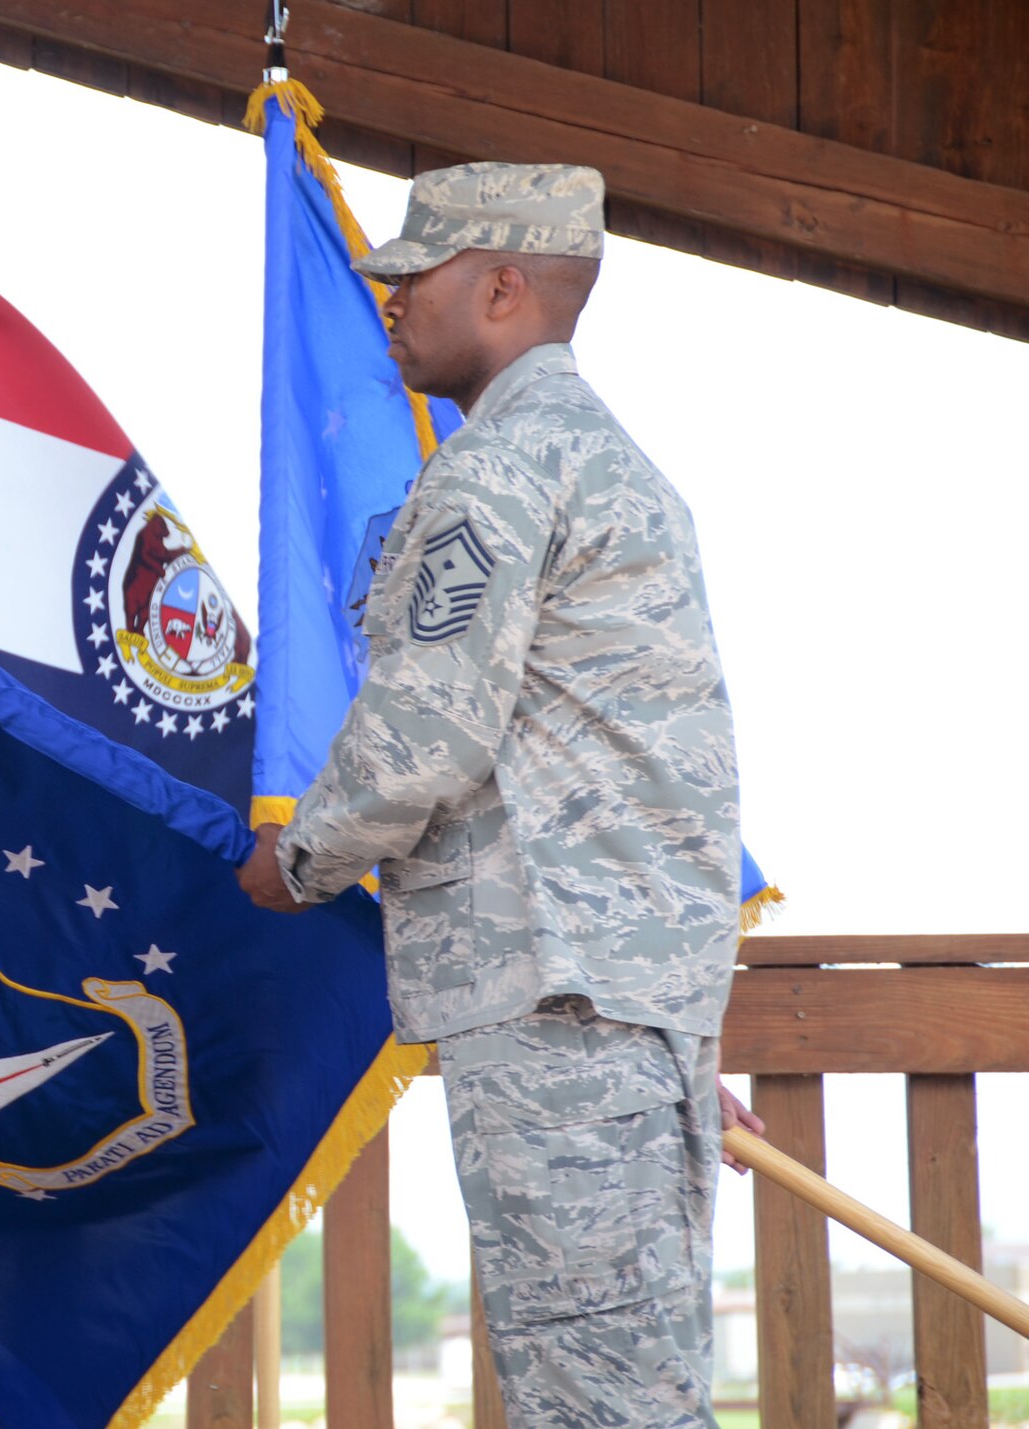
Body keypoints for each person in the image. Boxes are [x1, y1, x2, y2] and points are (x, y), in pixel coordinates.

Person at [236, 162, 751, 1427]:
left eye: (415, 279)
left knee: (590, 1393)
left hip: (553, 993)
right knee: (630, 1373)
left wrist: (296, 857)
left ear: (504, 287)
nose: (390, 304)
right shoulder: (609, 465)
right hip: (616, 997)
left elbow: (424, 733)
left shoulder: (494, 474)